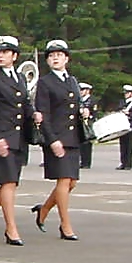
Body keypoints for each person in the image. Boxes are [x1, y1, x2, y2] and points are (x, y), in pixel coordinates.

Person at [0, 36, 36, 245]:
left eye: (5, 52)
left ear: (15, 56)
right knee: (8, 182)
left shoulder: (19, 78)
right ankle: (11, 229)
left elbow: (23, 104)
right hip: (0, 138)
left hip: (18, 138)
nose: (0, 56)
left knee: (9, 184)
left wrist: (34, 114)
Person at [32, 40, 88, 241]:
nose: (55, 58)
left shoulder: (72, 80)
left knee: (72, 182)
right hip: (56, 138)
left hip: (72, 137)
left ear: (67, 58)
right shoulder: (45, 83)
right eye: (51, 56)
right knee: (63, 181)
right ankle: (65, 225)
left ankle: (44, 209)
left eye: (59, 55)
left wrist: (83, 110)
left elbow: (75, 105)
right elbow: (43, 113)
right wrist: (52, 140)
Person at [117, 85, 132, 171]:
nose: (126, 94)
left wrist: (127, 114)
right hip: (122, 127)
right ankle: (122, 163)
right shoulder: (122, 102)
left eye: (127, 93)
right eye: (125, 93)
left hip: (131, 127)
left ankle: (128, 164)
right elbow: (118, 110)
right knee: (122, 146)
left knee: (129, 146)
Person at [78, 83, 99, 169]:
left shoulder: (92, 101)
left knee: (87, 143)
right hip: (80, 123)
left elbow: (94, 114)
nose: (81, 92)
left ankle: (86, 162)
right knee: (80, 143)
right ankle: (81, 161)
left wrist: (88, 116)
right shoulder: (79, 100)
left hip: (88, 123)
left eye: (82, 90)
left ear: (87, 91)